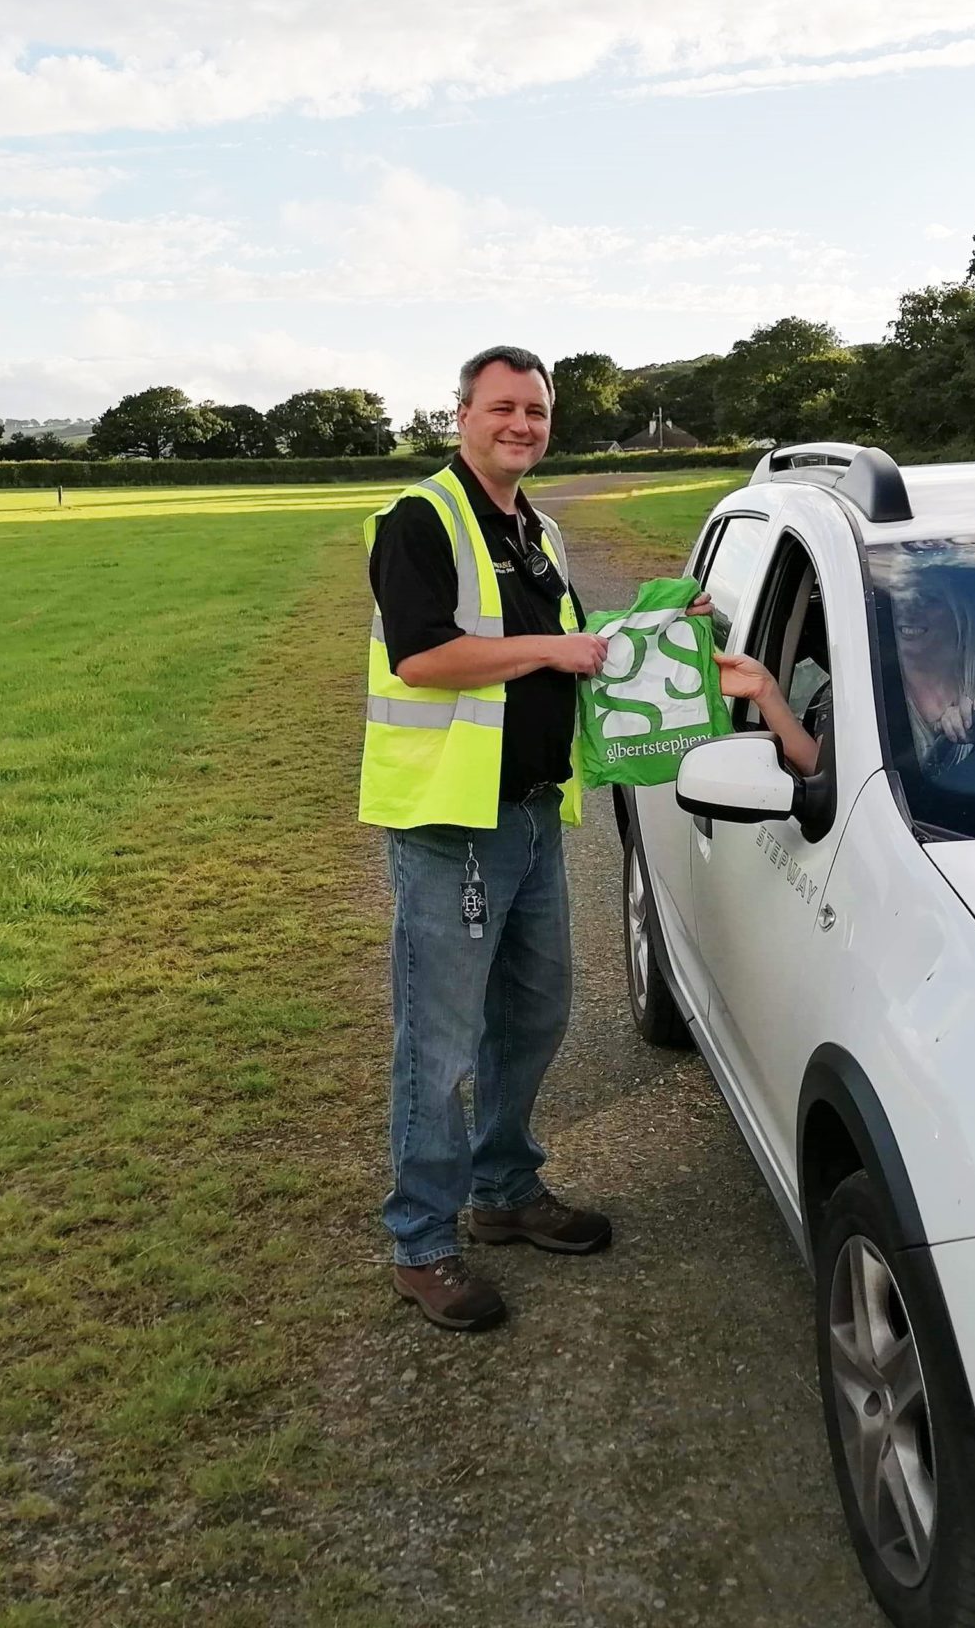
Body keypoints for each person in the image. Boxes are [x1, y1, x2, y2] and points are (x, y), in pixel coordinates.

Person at [360, 346, 615, 1333]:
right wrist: (552, 646)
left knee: (537, 1013)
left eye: (537, 410)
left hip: (532, 813)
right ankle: (423, 1244)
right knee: (441, 1043)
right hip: (450, 824)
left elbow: (577, 661)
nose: (522, 424)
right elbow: (425, 657)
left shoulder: (534, 528)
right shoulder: (419, 519)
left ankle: (504, 1188)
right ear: (460, 414)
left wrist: (668, 632)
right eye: (503, 406)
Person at [713, 573, 975, 780]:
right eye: (899, 599)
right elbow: (822, 775)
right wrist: (765, 691)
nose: (909, 610)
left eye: (929, 600)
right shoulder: (859, 684)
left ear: (959, 613)